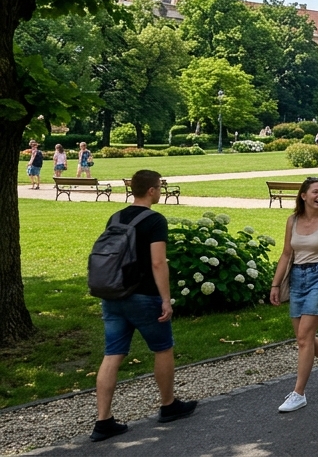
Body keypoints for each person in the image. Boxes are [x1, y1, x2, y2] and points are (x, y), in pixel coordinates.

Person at [90, 170, 198, 441]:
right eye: (159, 187)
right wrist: (165, 299)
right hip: (144, 295)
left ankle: (103, 421)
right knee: (163, 348)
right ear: (151, 190)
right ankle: (168, 404)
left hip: (113, 294)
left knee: (112, 354)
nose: (160, 191)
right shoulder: (154, 220)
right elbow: (158, 262)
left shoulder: (115, 217)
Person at [269, 177, 318, 413]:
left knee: (304, 337)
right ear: (303, 195)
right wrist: (275, 285)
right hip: (297, 279)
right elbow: (286, 254)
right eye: (315, 191)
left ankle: (298, 393)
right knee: (304, 338)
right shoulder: (292, 220)